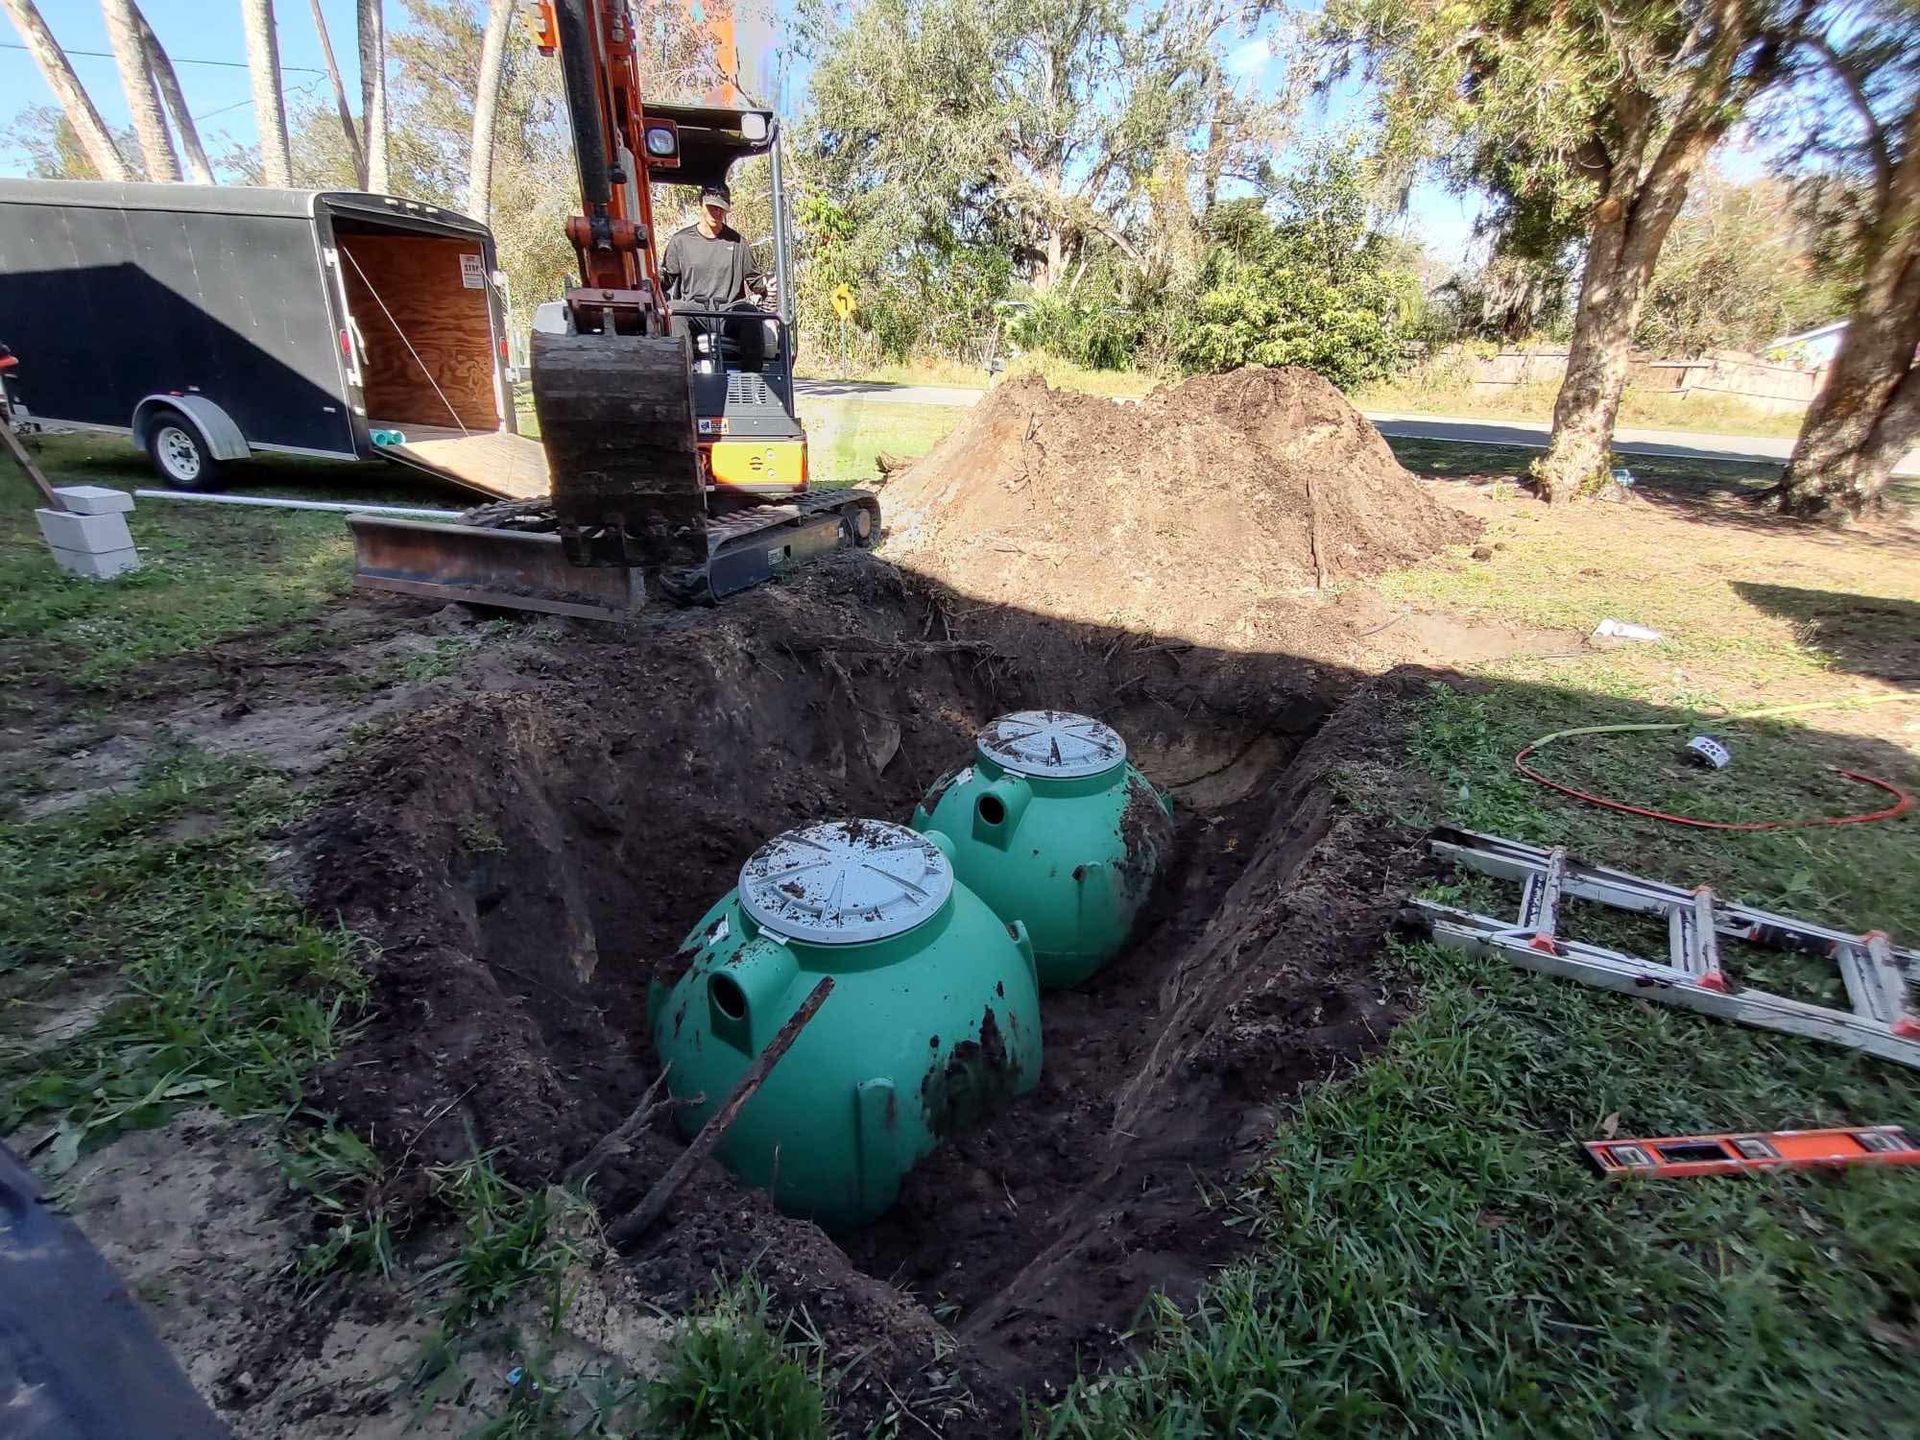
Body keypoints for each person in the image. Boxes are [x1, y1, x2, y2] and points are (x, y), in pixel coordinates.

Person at [659, 183, 761, 310]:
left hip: (729, 312)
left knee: (749, 312)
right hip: (694, 311)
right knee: (674, 309)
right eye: (712, 207)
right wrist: (654, 279)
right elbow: (666, 279)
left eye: (720, 208)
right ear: (701, 204)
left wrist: (768, 287)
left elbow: (755, 280)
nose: (716, 212)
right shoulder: (680, 241)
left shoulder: (738, 243)